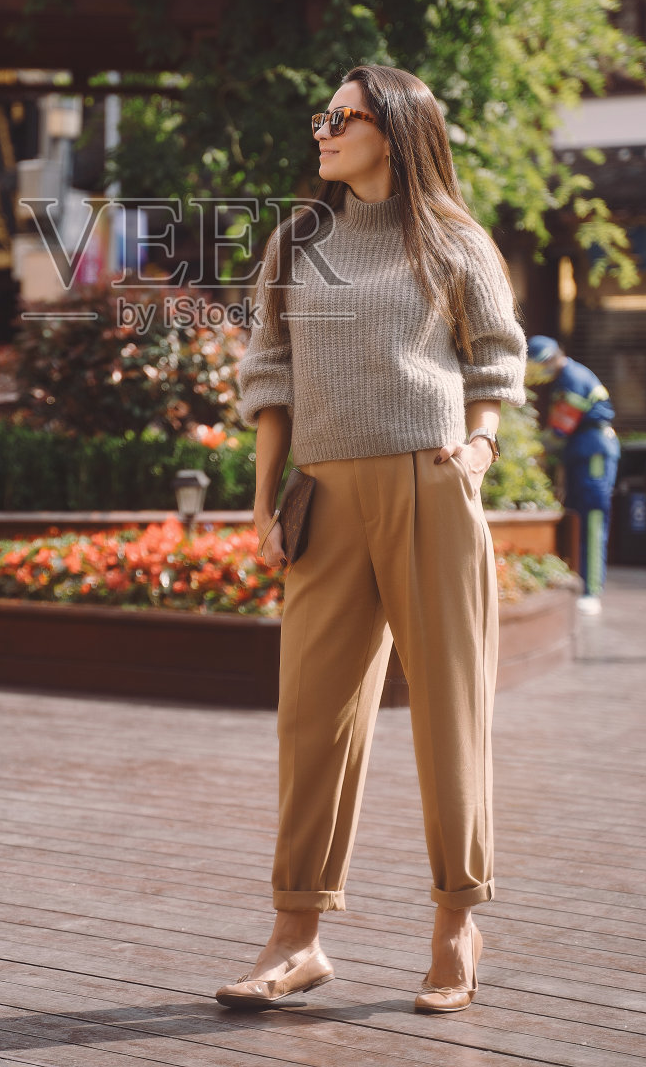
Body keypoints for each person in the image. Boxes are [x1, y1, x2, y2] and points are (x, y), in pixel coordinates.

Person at [220, 64, 526, 1016]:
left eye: (341, 117)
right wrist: (263, 499)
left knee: (449, 713)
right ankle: (295, 936)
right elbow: (267, 372)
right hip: (323, 493)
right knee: (312, 718)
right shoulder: (297, 241)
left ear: (392, 130)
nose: (323, 130)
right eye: (321, 116)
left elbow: (497, 356)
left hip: (429, 488)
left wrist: (476, 448)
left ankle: (454, 924)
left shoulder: (450, 238)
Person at [524, 335, 621, 616]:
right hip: (581, 454)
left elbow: (560, 428)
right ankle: (583, 584)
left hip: (593, 453)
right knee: (579, 518)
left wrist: (534, 450)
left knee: (591, 520)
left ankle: (592, 590)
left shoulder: (574, 377)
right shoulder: (566, 378)